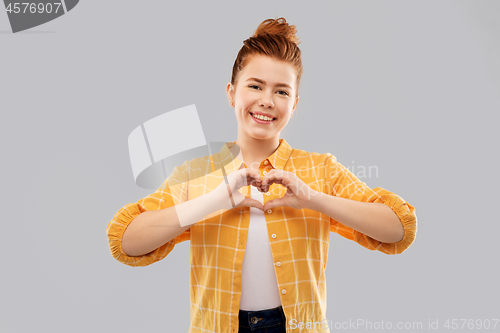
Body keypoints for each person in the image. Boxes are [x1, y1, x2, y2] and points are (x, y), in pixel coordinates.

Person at [106, 17, 417, 333]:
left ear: (294, 105)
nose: (267, 100)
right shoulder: (197, 173)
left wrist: (313, 199)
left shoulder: (320, 169)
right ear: (231, 93)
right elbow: (126, 241)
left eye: (281, 92)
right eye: (255, 86)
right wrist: (214, 200)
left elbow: (398, 229)